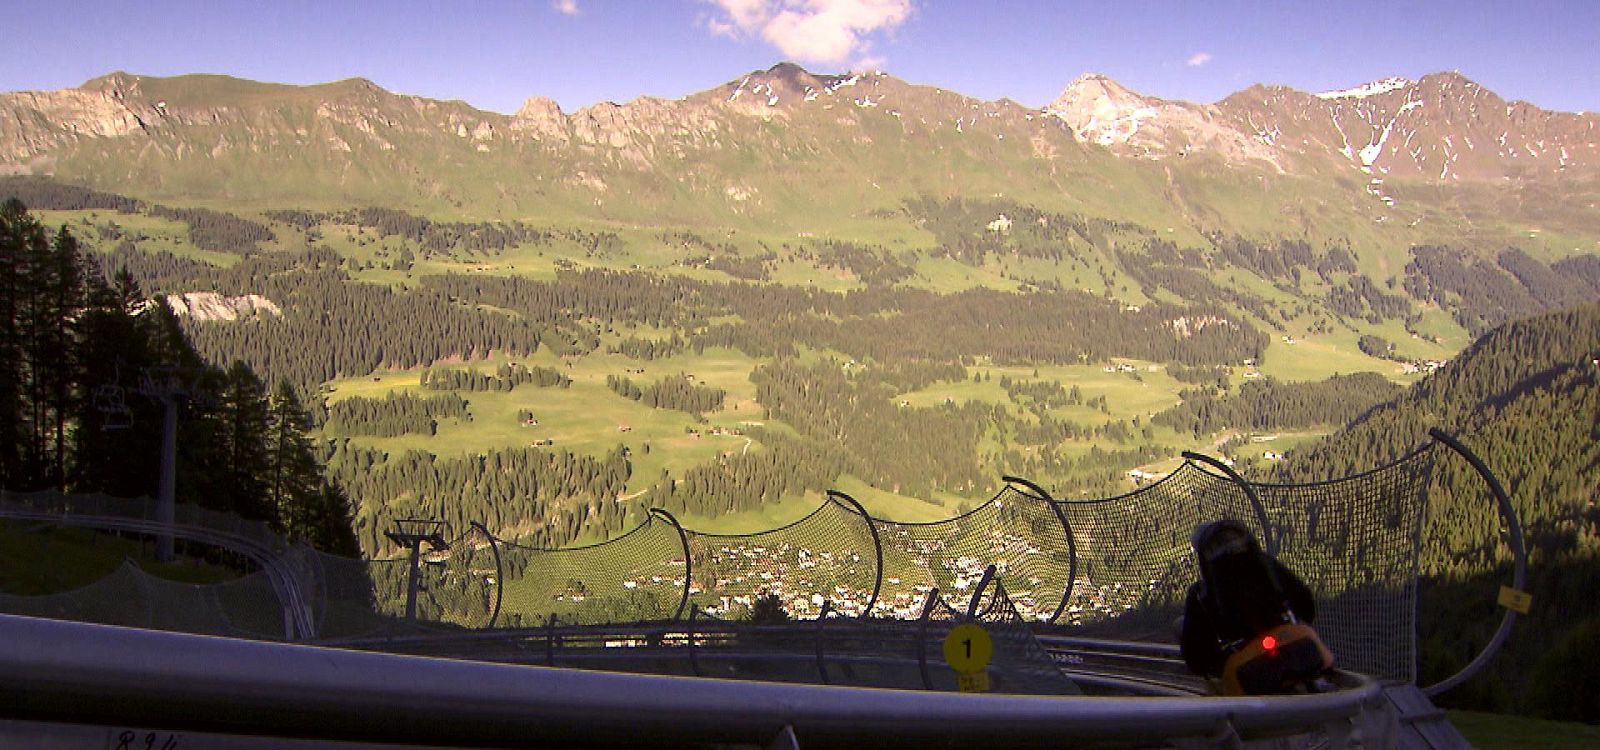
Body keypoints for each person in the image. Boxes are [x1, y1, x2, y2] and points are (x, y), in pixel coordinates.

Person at [1180, 519, 1319, 685]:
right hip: (1290, 645)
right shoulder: (1269, 566)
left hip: (1242, 667)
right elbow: (1305, 603)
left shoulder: (1200, 594)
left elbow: (1196, 657)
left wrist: (1216, 664)